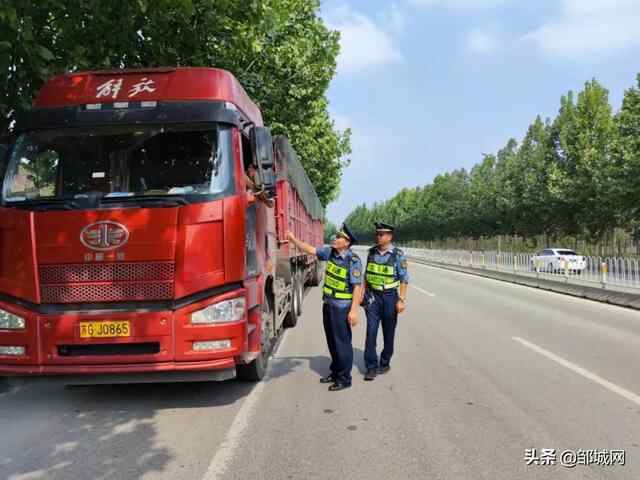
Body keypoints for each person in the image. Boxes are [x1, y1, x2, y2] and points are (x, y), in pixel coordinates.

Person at [287, 224, 363, 391]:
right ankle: (336, 372)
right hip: (328, 305)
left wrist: (354, 311)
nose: (335, 238)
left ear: (347, 242)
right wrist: (293, 240)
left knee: (342, 344)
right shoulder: (330, 252)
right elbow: (310, 249)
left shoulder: (353, 260)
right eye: (336, 236)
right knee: (332, 342)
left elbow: (357, 287)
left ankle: (344, 378)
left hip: (342, 308)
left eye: (339, 237)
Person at [362, 222, 409, 381]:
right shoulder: (371, 253)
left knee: (388, 333)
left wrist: (401, 299)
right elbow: (366, 275)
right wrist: (363, 293)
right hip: (373, 298)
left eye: (381, 234)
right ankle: (371, 366)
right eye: (377, 234)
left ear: (390, 236)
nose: (378, 237)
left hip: (390, 297)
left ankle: (385, 362)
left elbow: (404, 279)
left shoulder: (398, 255)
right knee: (371, 332)